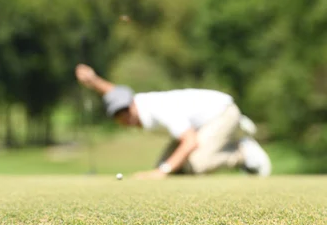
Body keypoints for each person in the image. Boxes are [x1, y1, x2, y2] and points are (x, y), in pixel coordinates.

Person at [75, 64, 271, 179]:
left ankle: (242, 151)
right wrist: (94, 81)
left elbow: (190, 141)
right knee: (172, 169)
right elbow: (116, 94)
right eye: (118, 114)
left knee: (196, 164)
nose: (124, 116)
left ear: (133, 104)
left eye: (125, 111)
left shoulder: (158, 109)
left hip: (223, 114)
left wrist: (161, 172)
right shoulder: (136, 104)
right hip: (200, 122)